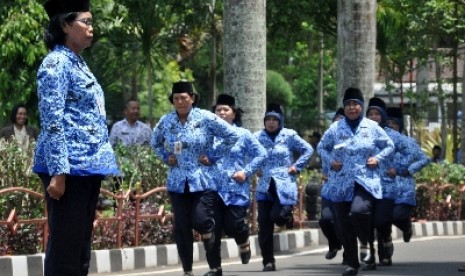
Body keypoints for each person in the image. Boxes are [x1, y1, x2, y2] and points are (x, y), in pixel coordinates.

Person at [33, 1, 119, 275]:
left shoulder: (77, 63)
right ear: (65, 25)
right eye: (86, 22)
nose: (91, 29)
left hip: (87, 167)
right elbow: (52, 120)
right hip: (68, 168)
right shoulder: (56, 63)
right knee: (66, 248)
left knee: (80, 248)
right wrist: (59, 172)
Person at [151, 81, 239, 276]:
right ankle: (188, 271)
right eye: (176, 98)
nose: (180, 102)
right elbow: (154, 142)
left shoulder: (206, 117)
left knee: (201, 221)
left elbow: (232, 136)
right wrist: (167, 157)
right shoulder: (166, 121)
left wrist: (214, 156)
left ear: (192, 98)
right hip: (177, 182)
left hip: (203, 180)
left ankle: (215, 266)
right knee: (182, 228)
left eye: (184, 98)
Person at [317, 87, 394, 276]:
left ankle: (365, 240)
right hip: (340, 182)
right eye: (348, 105)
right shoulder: (336, 128)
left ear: (361, 106)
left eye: (356, 104)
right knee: (342, 225)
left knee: (359, 210)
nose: (352, 108)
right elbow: (321, 147)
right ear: (344, 108)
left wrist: (377, 159)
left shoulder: (372, 127)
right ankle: (352, 264)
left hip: (365, 179)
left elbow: (389, 145)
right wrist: (330, 162)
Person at [202, 94, 268, 276]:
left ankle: (243, 241)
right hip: (211, 188)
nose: (221, 113)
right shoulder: (207, 135)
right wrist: (203, 160)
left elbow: (261, 154)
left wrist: (246, 172)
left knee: (234, 226)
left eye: (226, 109)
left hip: (235, 190)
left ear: (233, 113)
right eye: (218, 110)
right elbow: (199, 155)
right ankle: (215, 268)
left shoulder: (244, 135)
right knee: (212, 229)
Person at [254, 103, 313, 272]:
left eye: (275, 119)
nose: (271, 123)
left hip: (284, 184)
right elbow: (246, 153)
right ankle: (268, 261)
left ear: (280, 121)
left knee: (277, 216)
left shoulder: (289, 135)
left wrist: (297, 166)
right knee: (264, 225)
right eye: (268, 119)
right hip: (265, 186)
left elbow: (307, 149)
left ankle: (287, 217)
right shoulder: (257, 136)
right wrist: (254, 168)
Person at [363, 98, 411, 270]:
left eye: (377, 114)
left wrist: (397, 169)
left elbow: (411, 155)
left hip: (387, 187)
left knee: (381, 221)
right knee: (366, 221)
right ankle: (371, 255)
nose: (374, 117)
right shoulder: (359, 133)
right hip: (365, 185)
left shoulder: (393, 136)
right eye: (370, 114)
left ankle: (386, 241)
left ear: (382, 116)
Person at [384, 107, 430, 266]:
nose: (390, 125)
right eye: (387, 122)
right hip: (385, 188)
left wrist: (407, 170)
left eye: (394, 123)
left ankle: (406, 227)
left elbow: (424, 159)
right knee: (382, 221)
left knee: (397, 216)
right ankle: (385, 254)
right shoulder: (380, 141)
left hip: (404, 189)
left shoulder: (408, 142)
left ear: (400, 125)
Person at [318, 106, 346, 262]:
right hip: (330, 188)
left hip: (348, 188)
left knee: (345, 222)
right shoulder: (327, 143)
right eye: (335, 121)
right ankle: (334, 243)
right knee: (326, 219)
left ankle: (349, 253)